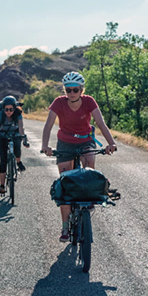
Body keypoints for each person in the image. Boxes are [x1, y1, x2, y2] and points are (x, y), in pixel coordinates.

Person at [41, 72, 117, 243]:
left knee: (90, 160)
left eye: (75, 90)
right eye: (68, 90)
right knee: (65, 184)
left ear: (81, 90)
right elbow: (48, 125)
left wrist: (111, 143)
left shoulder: (89, 101)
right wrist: (45, 146)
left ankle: (90, 194)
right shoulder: (59, 102)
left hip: (85, 140)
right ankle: (65, 226)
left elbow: (101, 123)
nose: (72, 93)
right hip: (65, 143)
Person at [0, 95, 30, 194]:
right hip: (2, 135)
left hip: (15, 133)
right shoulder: (0, 115)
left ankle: (18, 162)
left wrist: (24, 139)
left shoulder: (18, 114)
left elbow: (21, 128)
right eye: (6, 109)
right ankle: (2, 185)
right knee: (3, 160)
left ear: (15, 108)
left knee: (17, 146)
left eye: (11, 109)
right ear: (3, 108)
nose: (8, 111)